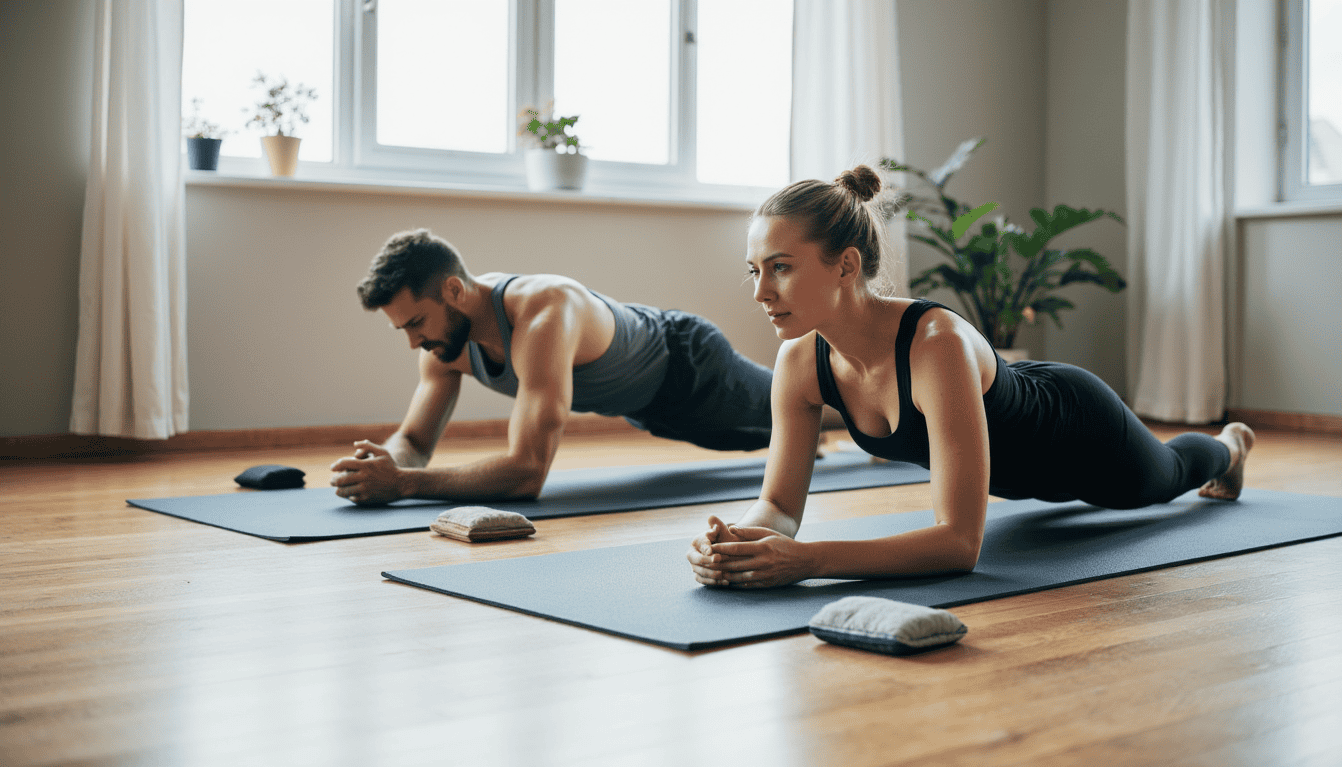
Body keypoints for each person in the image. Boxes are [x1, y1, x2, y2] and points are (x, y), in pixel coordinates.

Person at [686, 166, 1255, 588]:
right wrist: (735, 542)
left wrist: (810, 560)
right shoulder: (800, 361)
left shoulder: (936, 345)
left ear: (847, 264)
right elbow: (780, 508)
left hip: (1078, 433)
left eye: (781, 268)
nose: (762, 292)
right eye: (756, 271)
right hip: (1019, 465)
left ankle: (1229, 448)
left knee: (1167, 477)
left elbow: (958, 543)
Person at [330, 228, 773, 505]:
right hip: (649, 408)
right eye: (402, 330)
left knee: (810, 403)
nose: (413, 344)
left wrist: (404, 485)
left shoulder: (543, 313)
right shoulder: (444, 345)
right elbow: (413, 441)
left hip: (690, 365)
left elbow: (526, 472)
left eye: (415, 324)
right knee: (771, 439)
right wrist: (382, 465)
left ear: (453, 291)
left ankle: (839, 389)